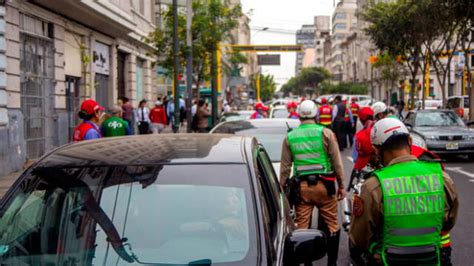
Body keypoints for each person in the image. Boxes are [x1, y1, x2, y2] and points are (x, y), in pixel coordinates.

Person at [349, 118, 458, 266]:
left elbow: (359, 238)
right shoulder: (442, 177)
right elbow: (449, 222)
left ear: (376, 150)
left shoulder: (374, 185)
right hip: (433, 258)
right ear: (409, 140)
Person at [280, 100, 346, 266]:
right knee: (332, 225)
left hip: (302, 190)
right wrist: (342, 185)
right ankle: (332, 263)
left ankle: (307, 262)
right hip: (325, 187)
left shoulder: (290, 137)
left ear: (299, 115)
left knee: (302, 228)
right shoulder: (326, 133)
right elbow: (337, 162)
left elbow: (285, 169)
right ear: (316, 114)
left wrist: (282, 190)